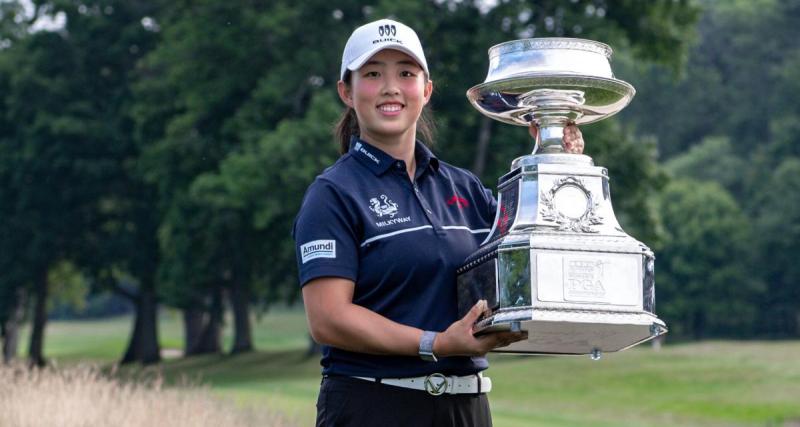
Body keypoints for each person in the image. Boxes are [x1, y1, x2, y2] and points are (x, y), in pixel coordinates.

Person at [293, 18, 583, 427]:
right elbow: (328, 318)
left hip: (467, 407)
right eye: (373, 74)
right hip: (373, 406)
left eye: (406, 74)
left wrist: (555, 162)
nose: (391, 87)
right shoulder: (333, 194)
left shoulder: (465, 188)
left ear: (426, 90)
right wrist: (436, 343)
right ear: (347, 91)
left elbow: (533, 250)